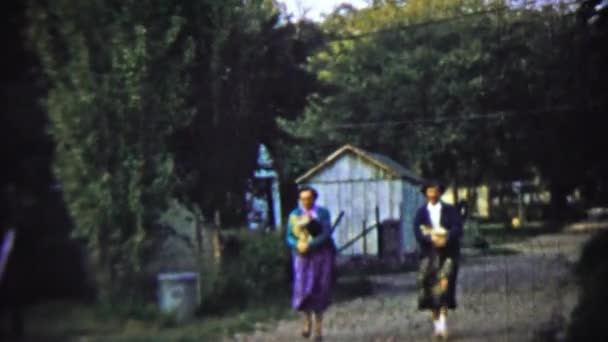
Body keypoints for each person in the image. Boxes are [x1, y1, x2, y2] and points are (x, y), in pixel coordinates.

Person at [413, 181, 463, 340]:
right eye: (429, 191)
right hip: (429, 255)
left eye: (435, 191)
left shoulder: (450, 210)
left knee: (445, 289)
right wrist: (430, 238)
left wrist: (446, 238)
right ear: (426, 193)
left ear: (439, 193)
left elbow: (457, 227)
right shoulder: (421, 212)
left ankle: (443, 326)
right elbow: (417, 231)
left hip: (447, 254)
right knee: (430, 291)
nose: (433, 194)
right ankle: (437, 328)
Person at [286, 186, 335, 341]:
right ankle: (307, 322)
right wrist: (296, 244)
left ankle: (318, 329)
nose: (306, 201)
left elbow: (326, 234)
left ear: (314, 199)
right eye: (303, 198)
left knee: (319, 288)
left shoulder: (322, 213)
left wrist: (311, 245)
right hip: (302, 257)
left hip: (320, 256)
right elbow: (289, 236)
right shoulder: (294, 215)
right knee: (303, 289)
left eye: (309, 198)